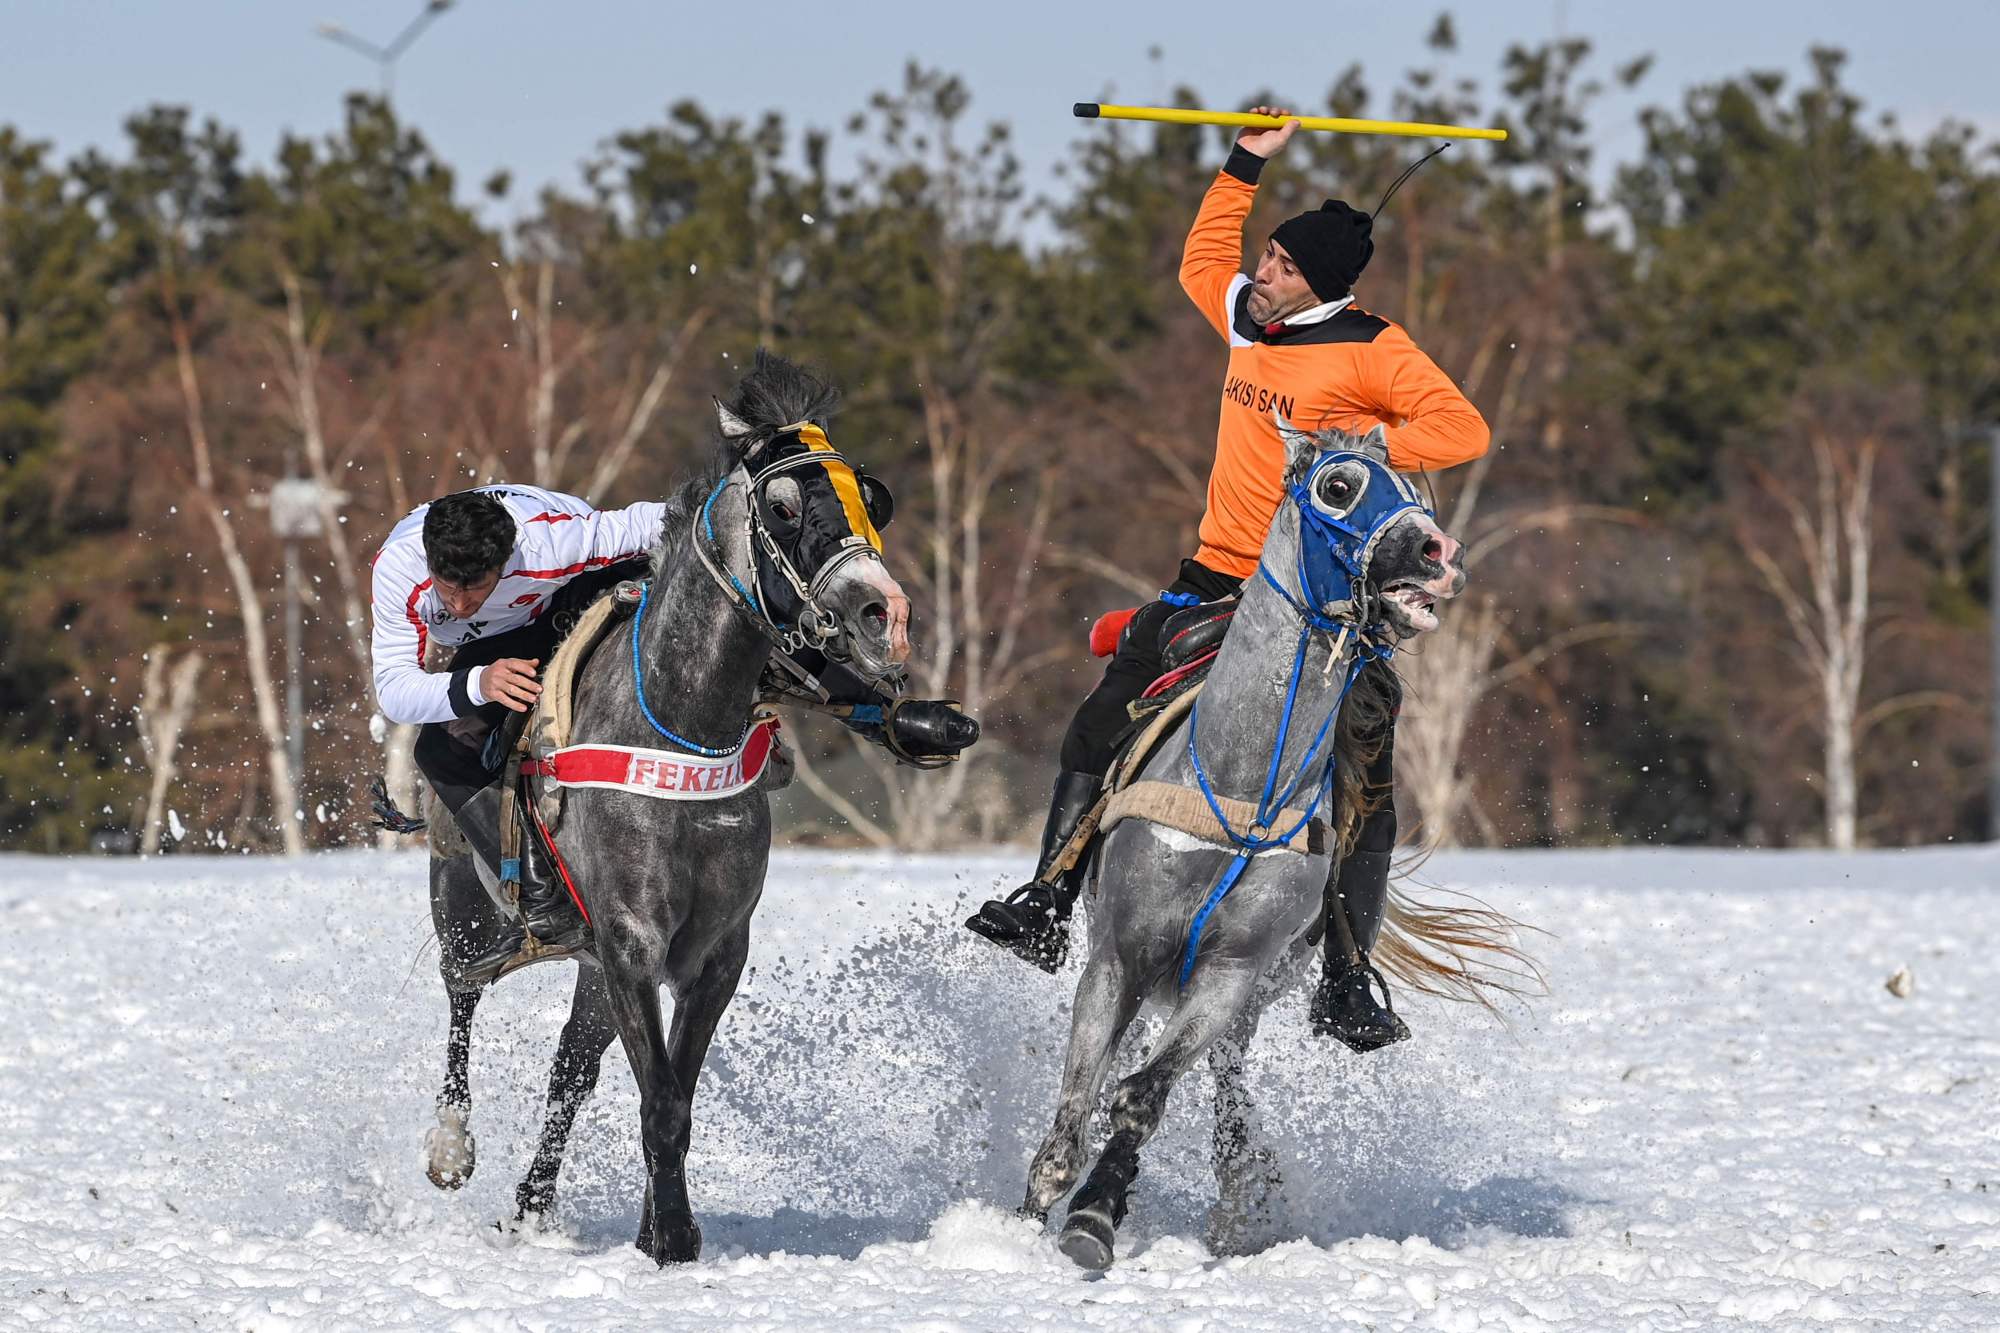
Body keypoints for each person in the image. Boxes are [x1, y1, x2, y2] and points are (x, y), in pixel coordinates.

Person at [967, 108, 1491, 1052]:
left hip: (1323, 608)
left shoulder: (1374, 347)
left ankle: (1346, 972)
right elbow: (1202, 261)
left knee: (1366, 767)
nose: (1264, 277)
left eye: (1285, 269)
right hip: (1213, 580)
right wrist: (1245, 162)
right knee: (1100, 717)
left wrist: (1365, 446)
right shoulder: (1252, 320)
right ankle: (1048, 898)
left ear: (1320, 287)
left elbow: (1463, 432)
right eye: (1272, 260)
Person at [371, 483, 974, 982]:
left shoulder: (557, 543)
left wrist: (776, 515)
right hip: (490, 651)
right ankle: (531, 885)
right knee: (438, 746)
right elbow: (395, 690)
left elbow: (670, 519)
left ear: (508, 561)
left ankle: (879, 715)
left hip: (573, 593)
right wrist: (480, 683)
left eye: (474, 587)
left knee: (721, 614)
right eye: (448, 588)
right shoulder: (400, 572)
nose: (459, 600)